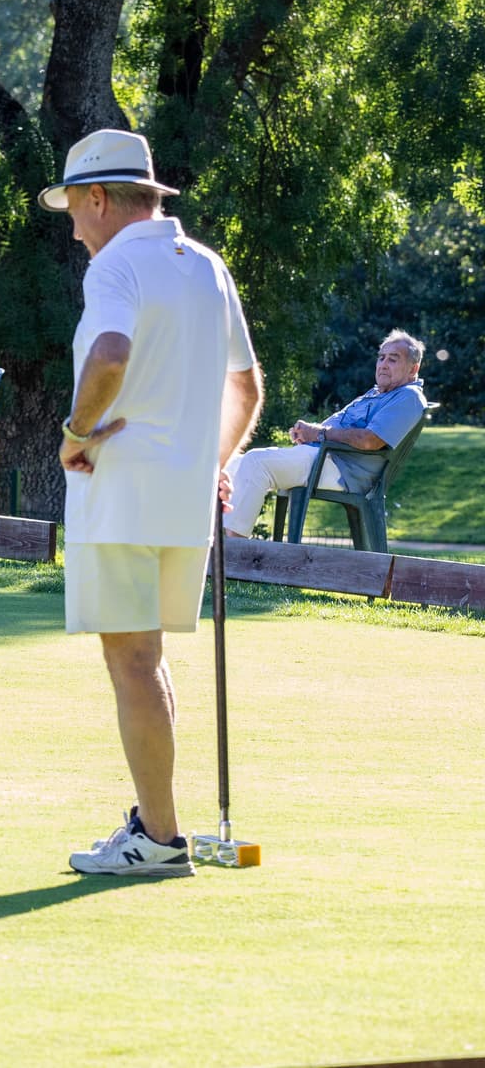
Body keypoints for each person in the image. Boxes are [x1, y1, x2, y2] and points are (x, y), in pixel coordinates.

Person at [43, 129, 263, 878]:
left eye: (74, 208)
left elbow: (109, 355)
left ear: (100, 198)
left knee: (130, 657)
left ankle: (162, 840)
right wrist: (216, 463)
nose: (73, 227)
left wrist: (75, 432)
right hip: (182, 497)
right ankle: (157, 828)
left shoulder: (114, 266)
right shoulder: (206, 264)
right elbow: (247, 387)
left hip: (119, 484)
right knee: (146, 655)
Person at [221, 331, 429, 537]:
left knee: (256, 462)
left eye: (393, 360)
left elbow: (370, 440)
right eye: (381, 358)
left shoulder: (408, 397)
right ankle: (214, 543)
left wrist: (319, 434)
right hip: (324, 456)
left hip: (342, 468)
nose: (383, 364)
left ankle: (233, 552)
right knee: (232, 465)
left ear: (414, 369)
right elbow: (331, 427)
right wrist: (308, 432)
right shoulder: (375, 394)